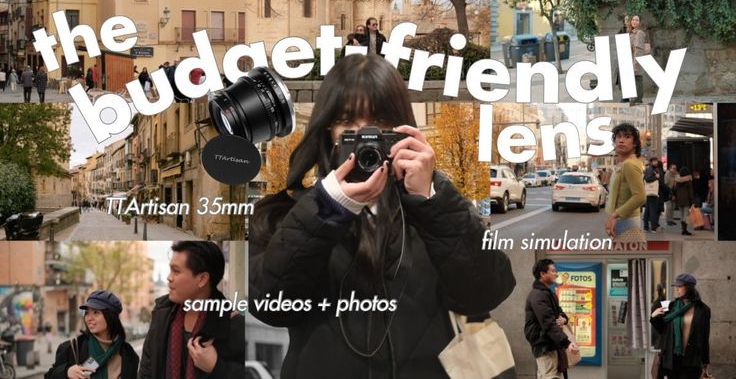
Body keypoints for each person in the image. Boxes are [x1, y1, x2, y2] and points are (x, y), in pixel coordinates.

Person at [249, 54, 516, 378]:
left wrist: (432, 202)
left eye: (379, 123)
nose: (366, 138)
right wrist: (327, 208)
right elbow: (269, 306)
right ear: (328, 131)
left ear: (402, 131)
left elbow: (489, 291)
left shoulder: (435, 207)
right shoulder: (285, 213)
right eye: (349, 124)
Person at [138, 241, 245, 378]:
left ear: (202, 279)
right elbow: (146, 370)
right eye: (170, 270)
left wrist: (216, 366)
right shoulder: (162, 314)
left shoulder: (234, 324)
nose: (169, 277)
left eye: (176, 271)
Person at [45, 290, 139, 379]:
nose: (89, 318)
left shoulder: (128, 354)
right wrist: (66, 372)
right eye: (87, 313)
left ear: (110, 316)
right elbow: (49, 376)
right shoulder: (72, 348)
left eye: (95, 312)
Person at [524, 259, 578, 379]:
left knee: (548, 375)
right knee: (550, 376)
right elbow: (548, 323)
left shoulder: (547, 293)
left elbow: (559, 313)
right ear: (543, 274)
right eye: (552, 271)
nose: (556, 274)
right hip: (544, 346)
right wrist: (567, 343)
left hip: (550, 344)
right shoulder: (538, 295)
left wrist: (564, 319)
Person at [650, 274, 710, 379]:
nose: (677, 289)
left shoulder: (703, 309)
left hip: (692, 359)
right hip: (672, 359)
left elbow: (705, 336)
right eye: (676, 286)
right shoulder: (670, 306)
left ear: (689, 287)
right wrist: (653, 316)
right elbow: (661, 330)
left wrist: (705, 360)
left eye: (680, 286)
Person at [605, 123, 646, 238]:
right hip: (623, 220)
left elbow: (640, 197)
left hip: (626, 221)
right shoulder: (624, 164)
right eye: (618, 137)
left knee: (619, 256)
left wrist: (614, 216)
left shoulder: (629, 164)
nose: (621, 140)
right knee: (620, 255)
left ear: (635, 143)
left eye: (627, 137)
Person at [629, 15, 647, 103]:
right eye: (633, 20)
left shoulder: (639, 33)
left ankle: (638, 99)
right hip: (632, 58)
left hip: (637, 58)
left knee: (638, 78)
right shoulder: (632, 32)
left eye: (637, 20)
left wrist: (635, 63)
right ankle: (636, 98)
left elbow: (638, 49)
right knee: (635, 78)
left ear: (640, 22)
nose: (634, 21)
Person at [675, 167, 695, 236]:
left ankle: (683, 229)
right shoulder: (688, 180)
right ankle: (685, 230)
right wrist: (692, 200)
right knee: (686, 215)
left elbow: (675, 190)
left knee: (681, 214)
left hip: (679, 200)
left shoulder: (677, 180)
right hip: (686, 200)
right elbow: (690, 191)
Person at [643, 157, 661, 232]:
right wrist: (656, 177)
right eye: (654, 161)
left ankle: (646, 226)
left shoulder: (651, 169)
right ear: (651, 162)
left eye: (656, 161)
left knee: (647, 210)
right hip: (652, 192)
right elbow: (647, 179)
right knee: (653, 210)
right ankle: (653, 227)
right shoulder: (650, 169)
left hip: (650, 193)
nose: (656, 162)